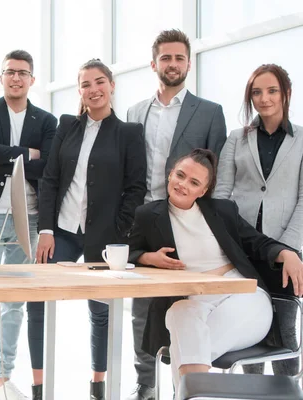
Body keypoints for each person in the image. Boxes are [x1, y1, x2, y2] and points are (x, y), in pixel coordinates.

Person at [127, 148, 303, 400]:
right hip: (194, 299)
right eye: (180, 175)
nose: (183, 184)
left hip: (245, 296)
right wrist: (148, 258)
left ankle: (186, 394)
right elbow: (128, 251)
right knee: (179, 312)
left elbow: (258, 243)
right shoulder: (148, 215)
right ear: (170, 175)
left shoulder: (222, 211)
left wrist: (287, 253)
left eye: (194, 182)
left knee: (186, 344)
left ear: (203, 191)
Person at [31, 59, 147, 400]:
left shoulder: (129, 133)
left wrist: (120, 232)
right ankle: (39, 385)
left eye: (99, 82)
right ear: (79, 90)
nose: (93, 89)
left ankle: (98, 383)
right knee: (38, 300)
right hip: (62, 232)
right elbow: (50, 180)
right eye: (85, 84)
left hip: (105, 237)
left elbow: (135, 187)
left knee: (101, 308)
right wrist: (46, 229)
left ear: (111, 85)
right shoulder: (67, 126)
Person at [125, 29, 227, 400]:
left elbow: (217, 177)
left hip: (188, 220)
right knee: (141, 308)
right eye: (166, 58)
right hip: (145, 218)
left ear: (188, 63)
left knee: (187, 303)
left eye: (179, 58)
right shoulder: (135, 112)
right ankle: (144, 383)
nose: (173, 64)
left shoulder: (211, 112)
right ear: (154, 64)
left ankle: (184, 385)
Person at [0, 49, 57, 400]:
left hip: (31, 214)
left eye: (23, 73)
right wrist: (26, 153)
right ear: (1, 77)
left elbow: (48, 165)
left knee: (16, 302)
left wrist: (1, 151)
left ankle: (7, 373)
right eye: (10, 72)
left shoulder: (46, 119)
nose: (16, 78)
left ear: (32, 79)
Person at [216, 64, 303, 376]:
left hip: (285, 253)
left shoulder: (302, 140)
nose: (264, 98)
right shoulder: (236, 138)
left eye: (272, 90)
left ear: (286, 93)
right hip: (243, 250)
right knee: (250, 336)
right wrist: (230, 242)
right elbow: (223, 195)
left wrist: (288, 249)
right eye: (256, 92)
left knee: (285, 338)